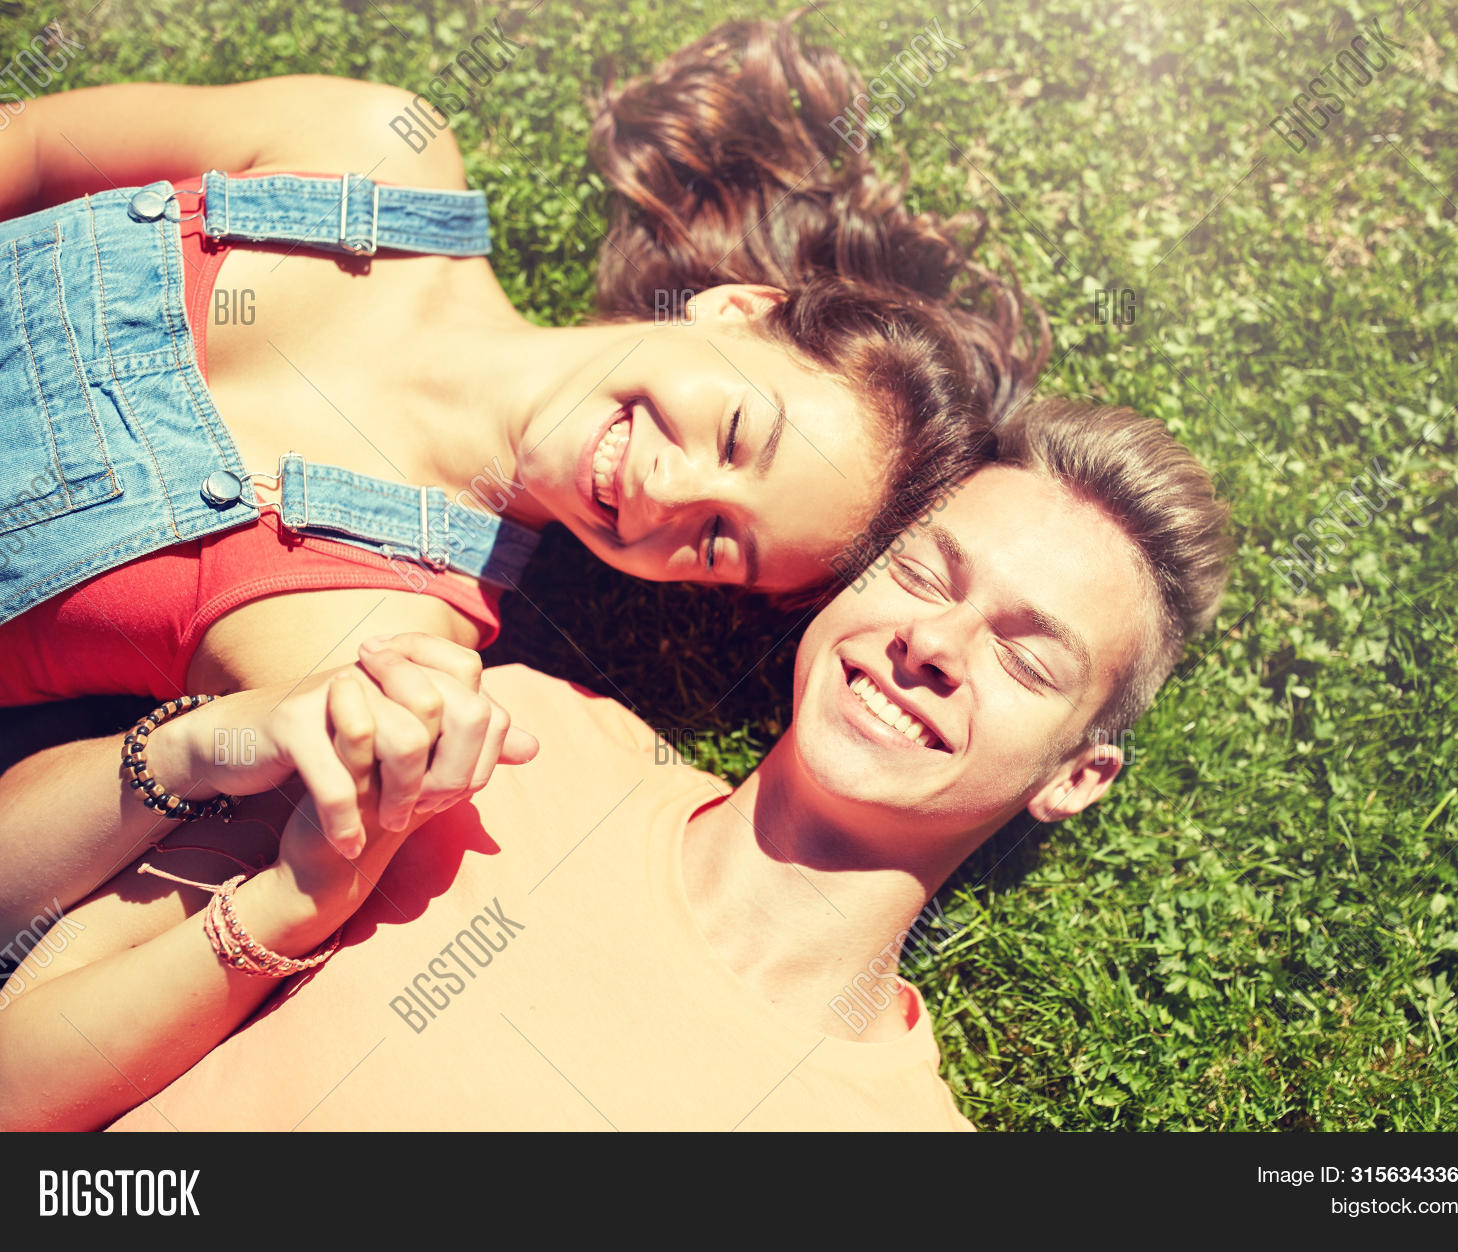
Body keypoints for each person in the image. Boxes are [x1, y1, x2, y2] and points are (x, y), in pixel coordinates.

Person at [0, 14, 1047, 941]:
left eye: (720, 541)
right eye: (735, 434)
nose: (670, 493)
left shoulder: (376, 634)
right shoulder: (372, 155)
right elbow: (38, 147)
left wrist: (200, 751)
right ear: (735, 311)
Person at [0, 396, 1232, 1131]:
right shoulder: (504, 741)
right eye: (923, 572)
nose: (935, 646)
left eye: (1026, 656)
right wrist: (222, 760)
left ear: (1075, 777)